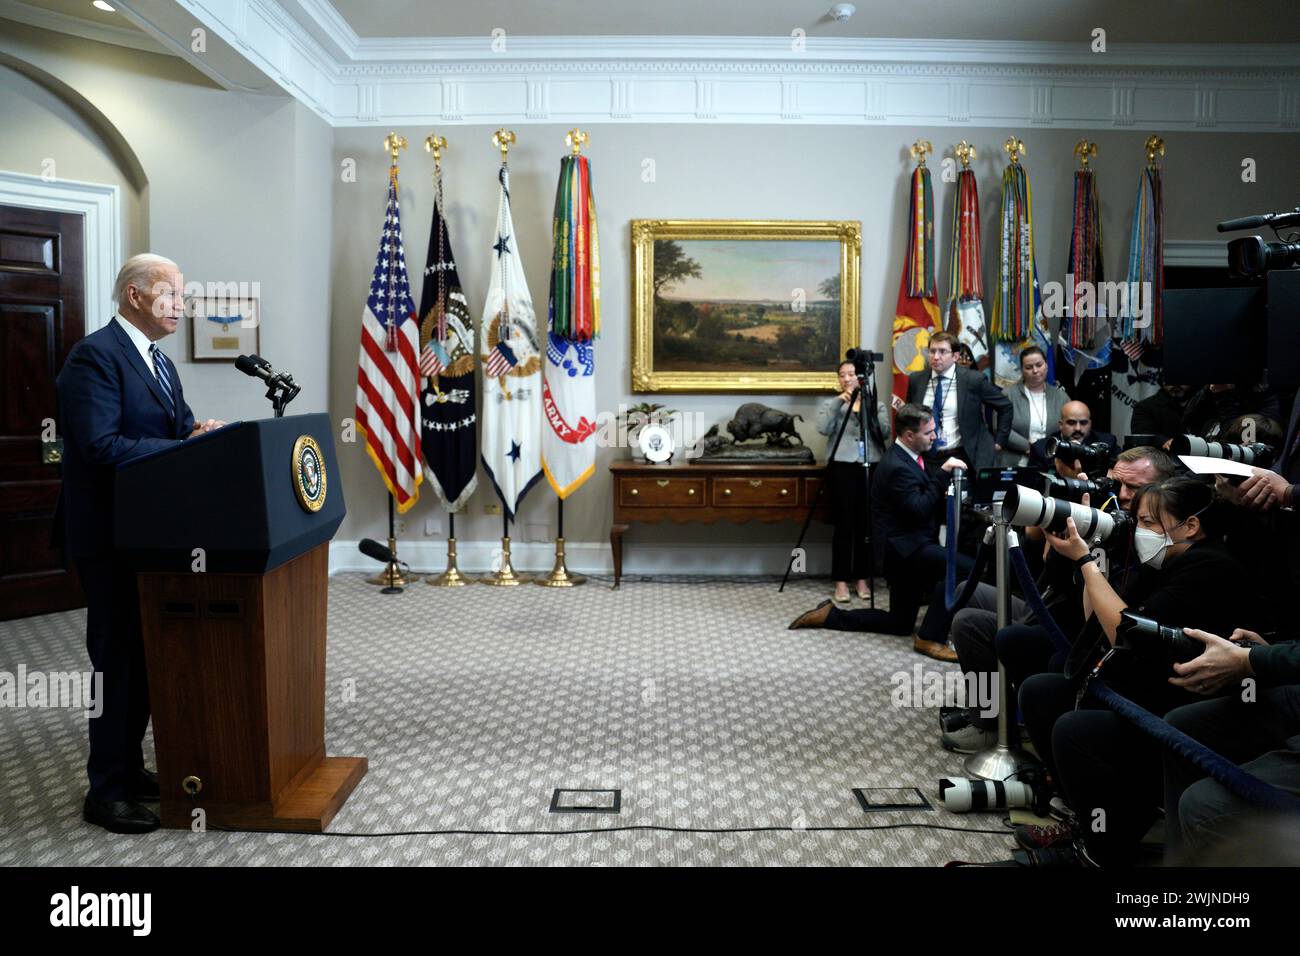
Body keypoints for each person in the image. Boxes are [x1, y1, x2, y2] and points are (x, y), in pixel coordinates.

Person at [55, 253, 226, 834]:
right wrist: (184, 449)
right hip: (107, 536)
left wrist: (199, 434)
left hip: (153, 531)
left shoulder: (158, 361)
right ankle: (105, 789)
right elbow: (102, 448)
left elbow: (175, 429)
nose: (182, 306)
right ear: (135, 296)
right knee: (116, 660)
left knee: (146, 654)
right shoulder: (95, 356)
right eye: (173, 296)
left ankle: (130, 770)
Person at [1014, 477, 1260, 866]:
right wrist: (1093, 554)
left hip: (1183, 704)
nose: (1138, 530)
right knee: (1041, 692)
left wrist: (1084, 562)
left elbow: (1125, 635)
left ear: (1190, 526)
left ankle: (1102, 849)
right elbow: (1097, 624)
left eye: (1147, 521)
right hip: (1144, 682)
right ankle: (1087, 818)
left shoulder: (1210, 566)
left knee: (1074, 731)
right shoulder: (1164, 559)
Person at [790, 404, 972, 662]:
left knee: (899, 623)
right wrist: (942, 476)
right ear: (910, 435)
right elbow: (919, 510)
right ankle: (930, 637)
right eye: (929, 432)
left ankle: (830, 615)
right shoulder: (896, 465)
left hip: (909, 544)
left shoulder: (911, 456)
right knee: (962, 568)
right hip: (903, 552)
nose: (935, 436)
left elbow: (919, 500)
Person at [815, 360, 889, 604]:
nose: (846, 379)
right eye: (842, 375)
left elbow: (885, 433)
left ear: (860, 377)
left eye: (851, 374)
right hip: (842, 468)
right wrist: (839, 403)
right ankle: (840, 581)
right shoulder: (831, 404)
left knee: (865, 526)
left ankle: (862, 578)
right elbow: (823, 428)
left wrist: (865, 406)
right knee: (844, 525)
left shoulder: (875, 404)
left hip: (870, 466)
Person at [899, 331, 1011, 470]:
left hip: (964, 456)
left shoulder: (973, 380)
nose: (936, 357)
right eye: (932, 351)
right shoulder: (917, 379)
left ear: (955, 356)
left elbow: (1005, 406)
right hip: (927, 458)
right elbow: (909, 417)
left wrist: (999, 441)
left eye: (942, 351)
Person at [998, 346, 1067, 467]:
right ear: (1022, 370)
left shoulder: (1061, 396)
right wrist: (1033, 448)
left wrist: (1047, 449)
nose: (1035, 371)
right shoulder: (1008, 394)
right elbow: (1000, 428)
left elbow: (1068, 427)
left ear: (1047, 365)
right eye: (1029, 367)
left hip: (1052, 463)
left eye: (1039, 365)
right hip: (1016, 461)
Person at [1026, 400, 1117, 476]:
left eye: (1083, 423)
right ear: (1061, 425)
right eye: (1071, 423)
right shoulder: (1042, 448)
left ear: (1090, 424)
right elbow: (1033, 484)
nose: (1078, 428)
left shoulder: (1107, 442)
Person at [1129, 379, 1194, 448]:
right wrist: (1164, 442)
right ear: (1163, 380)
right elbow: (1142, 434)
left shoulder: (1200, 404)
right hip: (1160, 455)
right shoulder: (1145, 407)